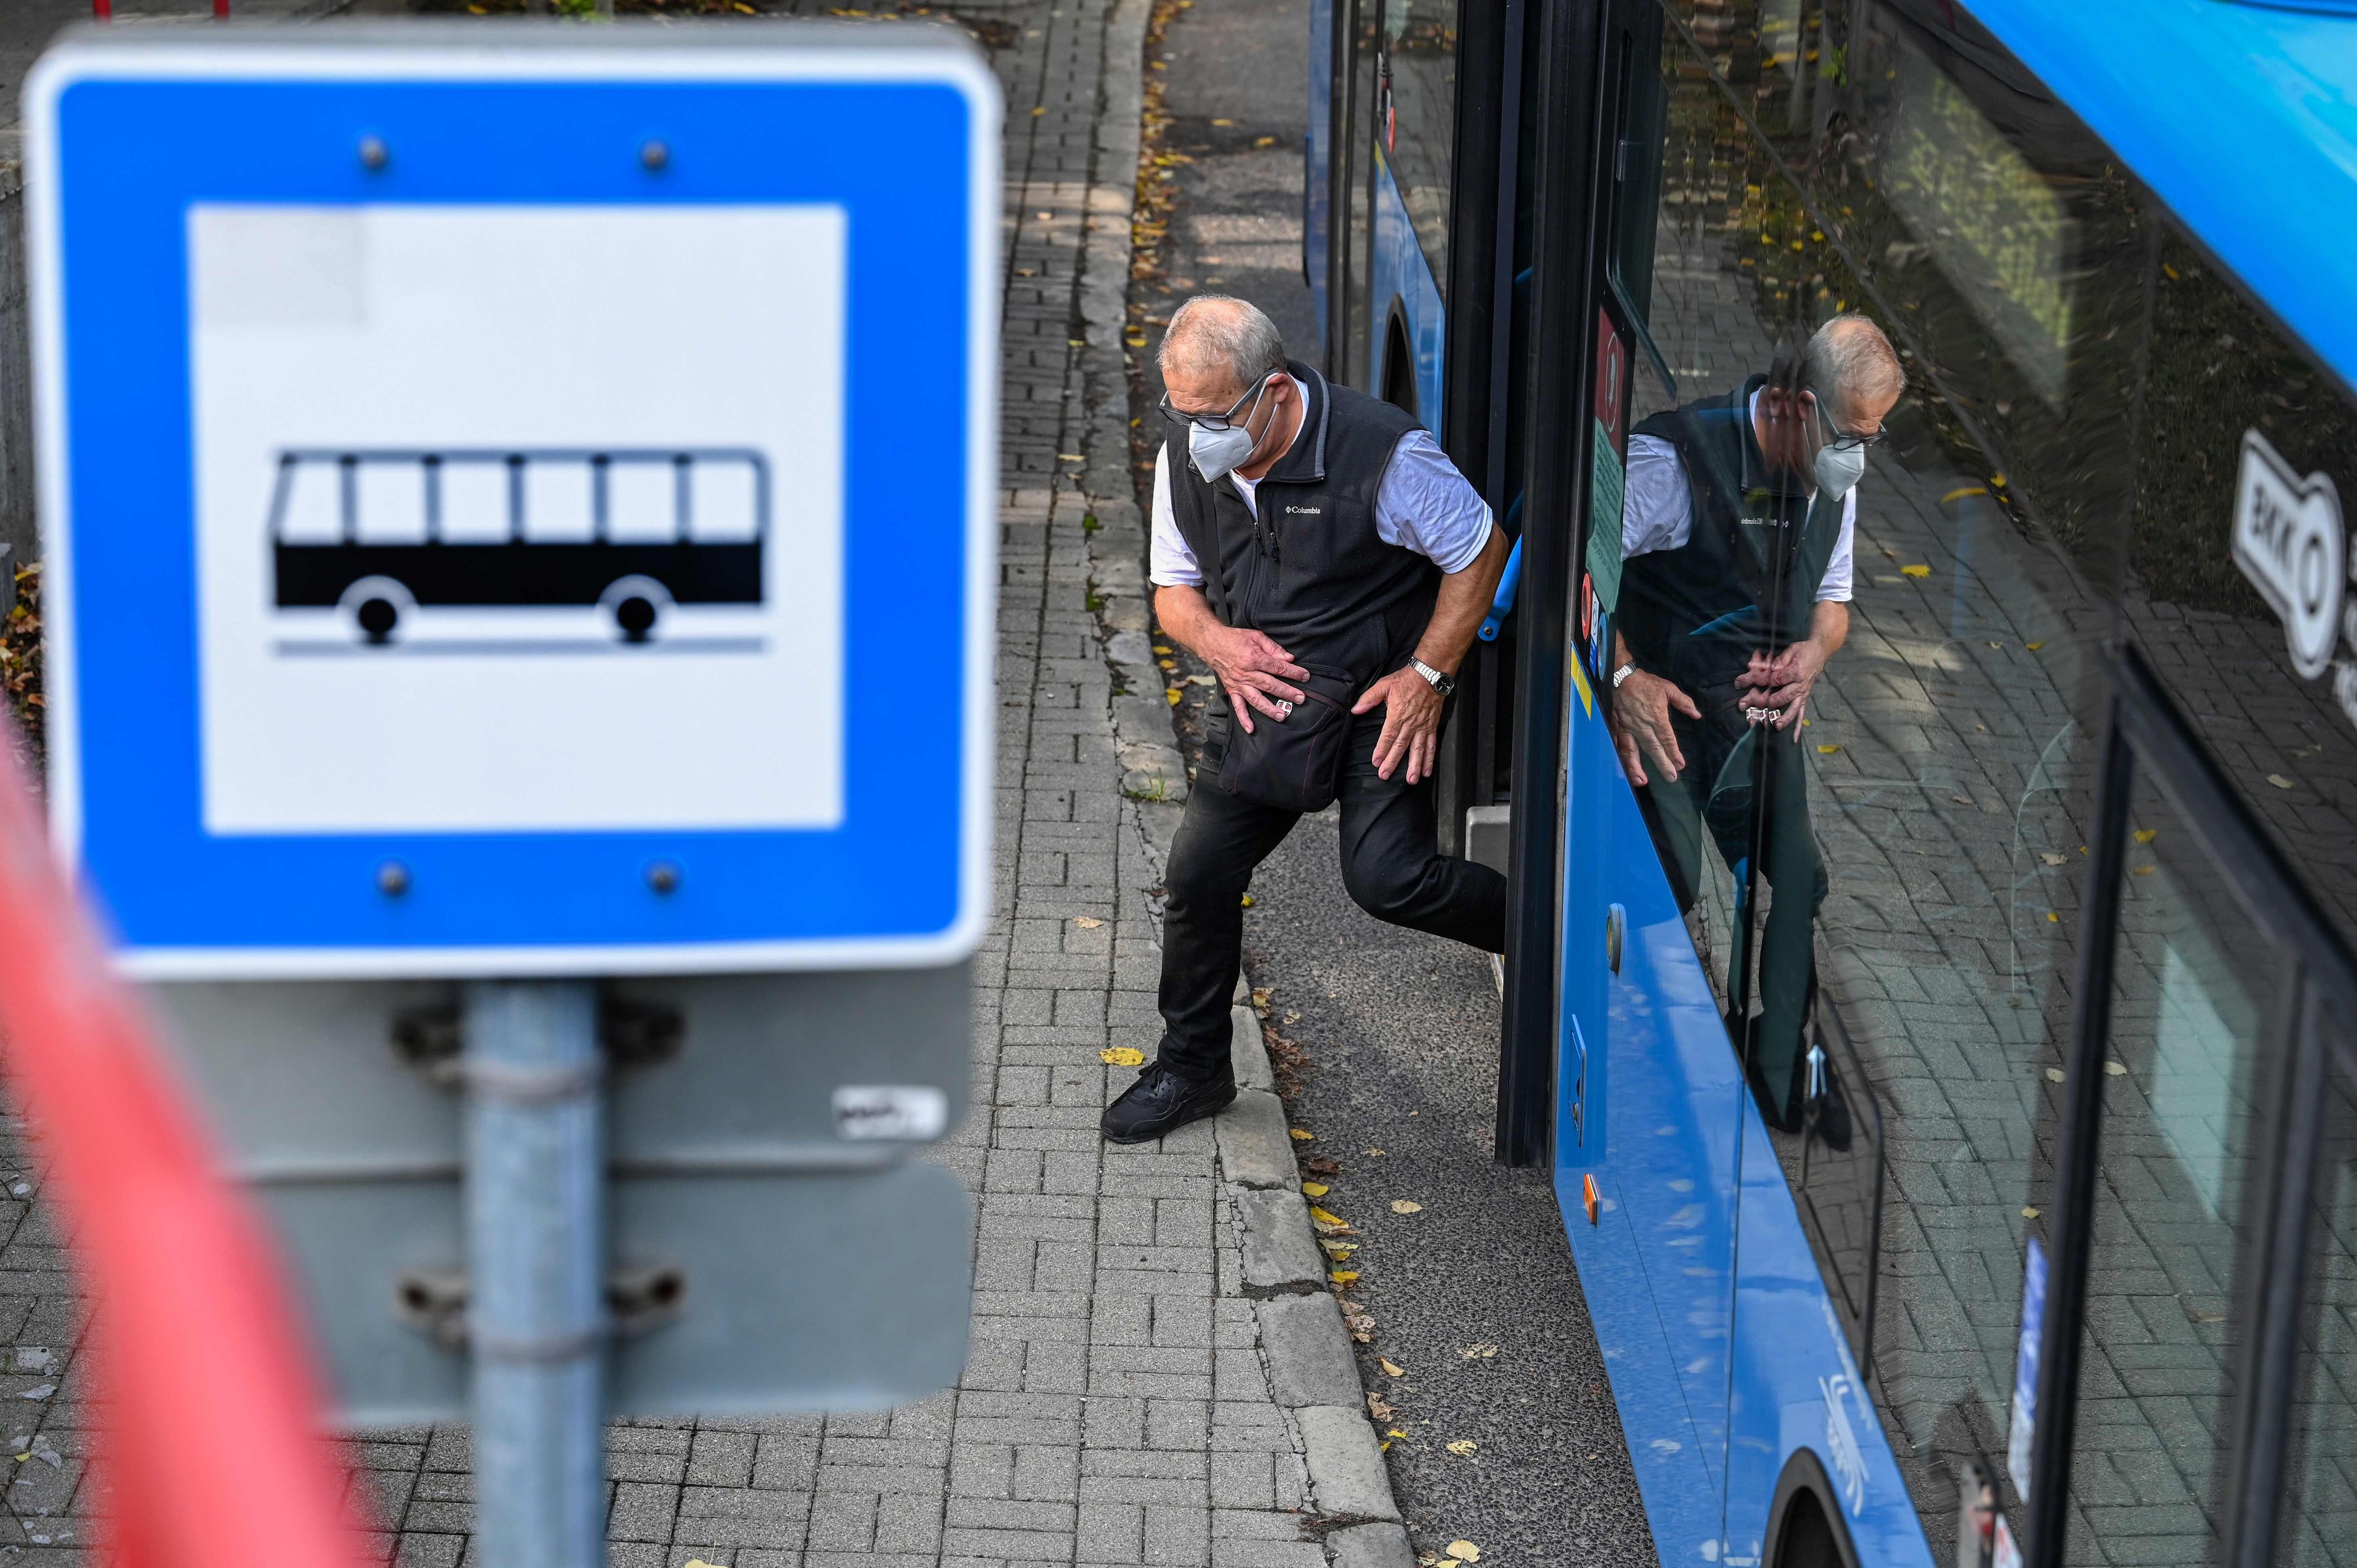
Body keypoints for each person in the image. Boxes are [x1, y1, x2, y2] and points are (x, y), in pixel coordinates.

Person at [1101, 296, 1511, 1145]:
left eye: (1213, 416)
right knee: (1198, 872)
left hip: (1376, 697)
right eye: (1181, 412)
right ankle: (1194, 1066)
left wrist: (1428, 675)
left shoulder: (1385, 454)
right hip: (1267, 690)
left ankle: (1543, 936)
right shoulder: (1187, 448)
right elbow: (1172, 593)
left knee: (1387, 879)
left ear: (1277, 392)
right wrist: (1218, 644)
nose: (1194, 434)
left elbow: (1480, 548)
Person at [1606, 313, 1904, 1133]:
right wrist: (1626, 676)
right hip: (1668, 715)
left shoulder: (1833, 475)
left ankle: (1777, 1067)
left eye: (1875, 437)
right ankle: (1641, 1072)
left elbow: (1834, 604)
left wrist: (1813, 654)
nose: (1861, 455)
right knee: (1675, 884)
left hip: (1761, 721)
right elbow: (1576, 564)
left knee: (1802, 876)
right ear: (1798, 407)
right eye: (1853, 433)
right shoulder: (1673, 464)